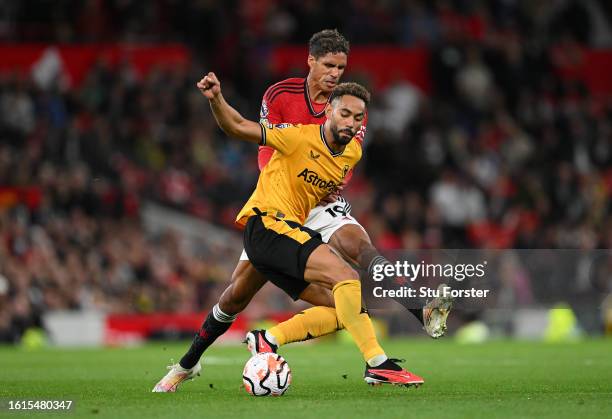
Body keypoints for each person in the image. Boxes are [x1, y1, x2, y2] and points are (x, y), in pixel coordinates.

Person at [153, 29, 449, 393]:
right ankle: (189, 362)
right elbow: (260, 144)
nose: (335, 73)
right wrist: (286, 180)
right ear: (310, 61)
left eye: (341, 67)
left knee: (359, 252)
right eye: (328, 65)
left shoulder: (351, 107)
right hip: (280, 203)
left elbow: (343, 159)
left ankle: (417, 309)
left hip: (320, 200)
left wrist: (321, 185)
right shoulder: (280, 97)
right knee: (235, 295)